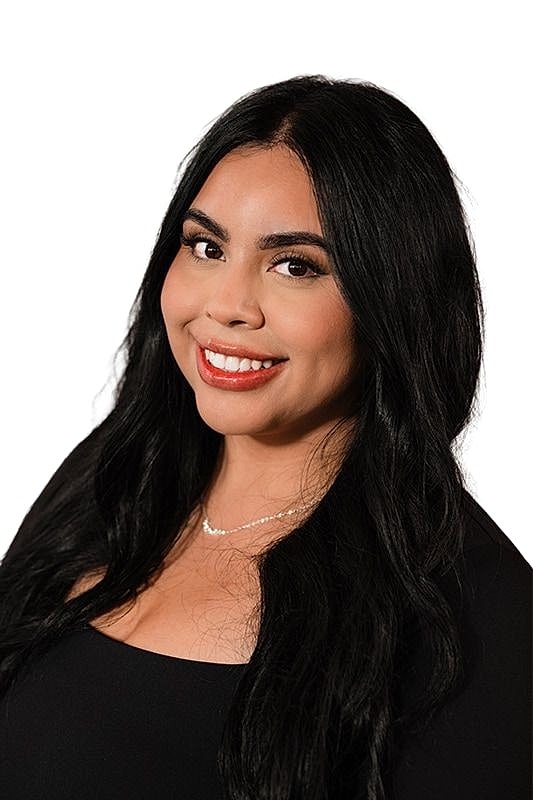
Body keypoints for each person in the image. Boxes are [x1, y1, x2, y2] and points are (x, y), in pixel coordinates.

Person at [0, 75, 530, 800]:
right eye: (205, 247)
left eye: (295, 266)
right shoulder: (111, 478)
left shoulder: (471, 618)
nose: (225, 306)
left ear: (392, 301)